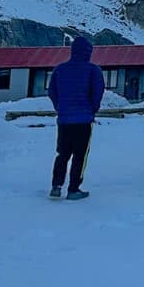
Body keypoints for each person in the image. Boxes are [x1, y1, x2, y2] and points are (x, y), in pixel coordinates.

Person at [47, 36, 105, 200]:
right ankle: (73, 189)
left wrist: (60, 108)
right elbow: (98, 91)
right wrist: (92, 110)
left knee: (62, 153)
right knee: (80, 155)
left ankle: (56, 185)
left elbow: (52, 92)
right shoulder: (93, 70)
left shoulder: (59, 69)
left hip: (64, 120)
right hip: (83, 120)